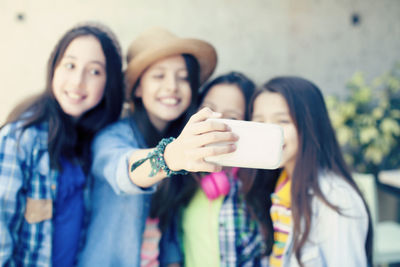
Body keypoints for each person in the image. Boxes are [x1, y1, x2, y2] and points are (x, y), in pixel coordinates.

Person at [78, 27, 238, 267]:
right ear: (138, 88)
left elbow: (168, 229)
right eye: (159, 76)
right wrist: (172, 156)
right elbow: (126, 171)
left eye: (183, 77)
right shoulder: (112, 137)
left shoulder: (180, 137)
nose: (173, 86)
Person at [0, 22, 124, 266]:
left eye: (95, 71)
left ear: (109, 83)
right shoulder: (19, 140)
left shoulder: (95, 142)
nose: (78, 81)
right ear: (54, 69)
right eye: (70, 65)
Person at [250, 76, 373, 267]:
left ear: (309, 124)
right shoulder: (278, 184)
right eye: (259, 121)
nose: (268, 132)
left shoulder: (335, 199)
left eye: (282, 121)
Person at [154, 71, 271, 267]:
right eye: (209, 111)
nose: (217, 124)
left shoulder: (260, 185)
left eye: (231, 117)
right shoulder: (183, 176)